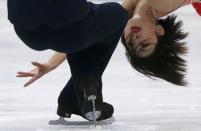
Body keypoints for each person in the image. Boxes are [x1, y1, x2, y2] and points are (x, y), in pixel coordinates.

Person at [8, 0, 129, 122]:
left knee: (87, 21)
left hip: (27, 32)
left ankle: (73, 96)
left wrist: (51, 64)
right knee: (117, 14)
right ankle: (79, 90)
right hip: (71, 28)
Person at [121, 0, 201, 86]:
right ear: (159, 31)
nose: (135, 38)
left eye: (131, 44)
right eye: (145, 44)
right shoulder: (162, 4)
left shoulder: (124, 11)